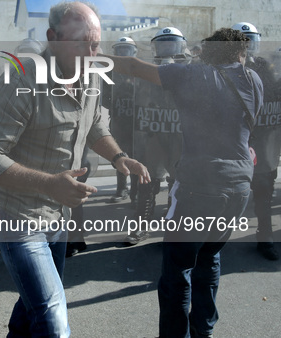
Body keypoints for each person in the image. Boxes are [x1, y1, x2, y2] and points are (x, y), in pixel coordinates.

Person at [0, 1, 150, 336]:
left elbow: (96, 125)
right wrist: (50, 184)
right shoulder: (20, 79)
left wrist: (118, 157)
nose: (91, 51)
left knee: (34, 306)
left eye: (96, 44)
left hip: (59, 216)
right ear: (52, 38)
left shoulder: (91, 76)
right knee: (54, 322)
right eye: (81, 42)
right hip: (18, 217)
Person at [104, 27, 263, 338]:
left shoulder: (193, 75)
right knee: (210, 257)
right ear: (240, 53)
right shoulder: (254, 80)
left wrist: (91, 55)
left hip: (197, 186)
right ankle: (203, 331)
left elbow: (134, 67)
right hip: (239, 185)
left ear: (208, 52)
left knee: (178, 269)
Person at [123, 27, 188, 246]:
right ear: (155, 47)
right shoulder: (147, 70)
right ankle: (141, 227)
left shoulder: (188, 70)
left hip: (178, 135)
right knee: (147, 183)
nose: (168, 48)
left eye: (172, 44)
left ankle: (172, 229)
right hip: (153, 133)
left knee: (176, 185)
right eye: (163, 44)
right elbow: (136, 99)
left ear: (181, 46)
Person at [233, 22, 281, 261]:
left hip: (261, 140)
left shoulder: (265, 67)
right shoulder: (222, 69)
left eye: (251, 41)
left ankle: (265, 236)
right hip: (233, 143)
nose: (249, 48)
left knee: (264, 191)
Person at [109, 36, 138, 204]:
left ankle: (135, 192)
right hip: (118, 120)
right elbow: (104, 96)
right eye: (120, 49)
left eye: (126, 49)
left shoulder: (139, 70)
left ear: (133, 51)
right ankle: (121, 189)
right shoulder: (110, 72)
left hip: (135, 122)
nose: (123, 53)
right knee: (118, 155)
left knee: (135, 156)